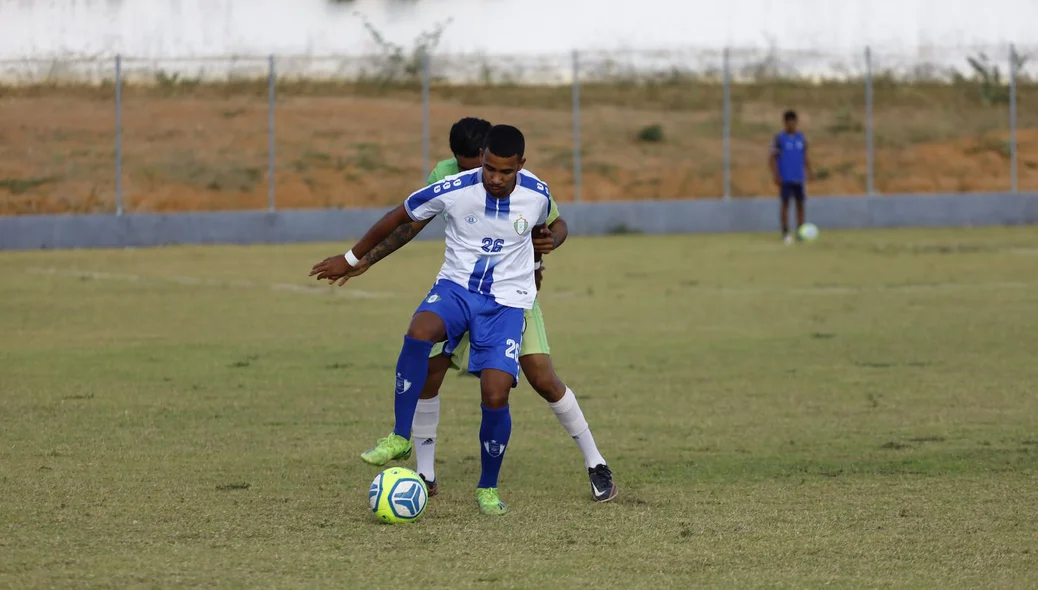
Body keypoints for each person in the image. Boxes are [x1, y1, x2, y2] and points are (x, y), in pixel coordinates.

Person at [327, 117, 617, 504]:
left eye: (504, 170)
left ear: (517, 163)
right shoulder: (448, 178)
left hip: (512, 297)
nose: (492, 178)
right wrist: (361, 258)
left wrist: (547, 247)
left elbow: (551, 224)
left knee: (539, 378)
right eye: (482, 167)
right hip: (461, 291)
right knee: (428, 364)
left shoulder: (533, 189)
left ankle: (595, 463)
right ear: (472, 158)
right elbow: (408, 223)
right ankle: (424, 471)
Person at [769, 110, 814, 244]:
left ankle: (800, 232)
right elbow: (772, 158)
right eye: (789, 122)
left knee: (800, 205)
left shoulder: (801, 138)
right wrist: (776, 175)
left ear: (796, 122)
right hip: (786, 178)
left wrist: (809, 171)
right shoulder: (779, 138)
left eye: (793, 122)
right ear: (785, 123)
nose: (791, 124)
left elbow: (805, 156)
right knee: (785, 205)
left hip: (798, 178)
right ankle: (785, 232)